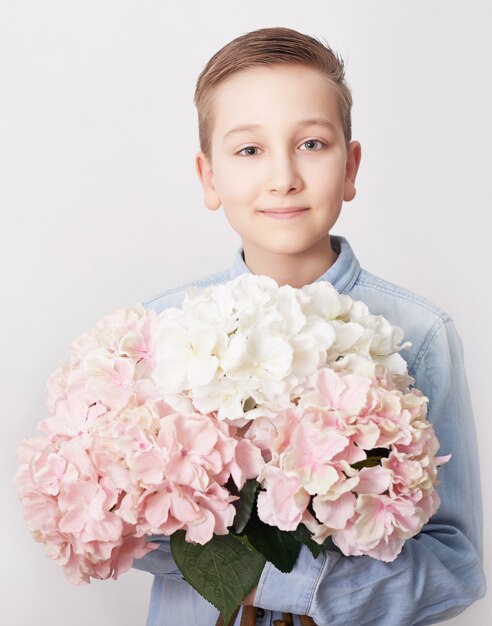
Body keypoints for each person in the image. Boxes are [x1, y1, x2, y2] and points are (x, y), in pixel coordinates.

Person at [133, 26, 486, 625]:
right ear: (208, 177)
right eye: (249, 150)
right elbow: (132, 527)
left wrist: (281, 583)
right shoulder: (163, 327)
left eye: (312, 144)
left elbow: (456, 566)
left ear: (350, 167)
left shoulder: (417, 334)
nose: (283, 177)